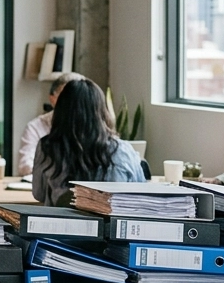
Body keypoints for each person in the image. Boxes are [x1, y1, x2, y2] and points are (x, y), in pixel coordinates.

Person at [31, 78, 144, 206]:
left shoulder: (47, 147)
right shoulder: (122, 150)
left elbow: (38, 193)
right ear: (102, 112)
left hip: (61, 224)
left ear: (60, 111)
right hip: (110, 225)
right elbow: (140, 193)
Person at [17, 72, 86, 177]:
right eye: (66, 98)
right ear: (52, 99)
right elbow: (25, 165)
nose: (73, 103)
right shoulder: (36, 127)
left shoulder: (94, 126)